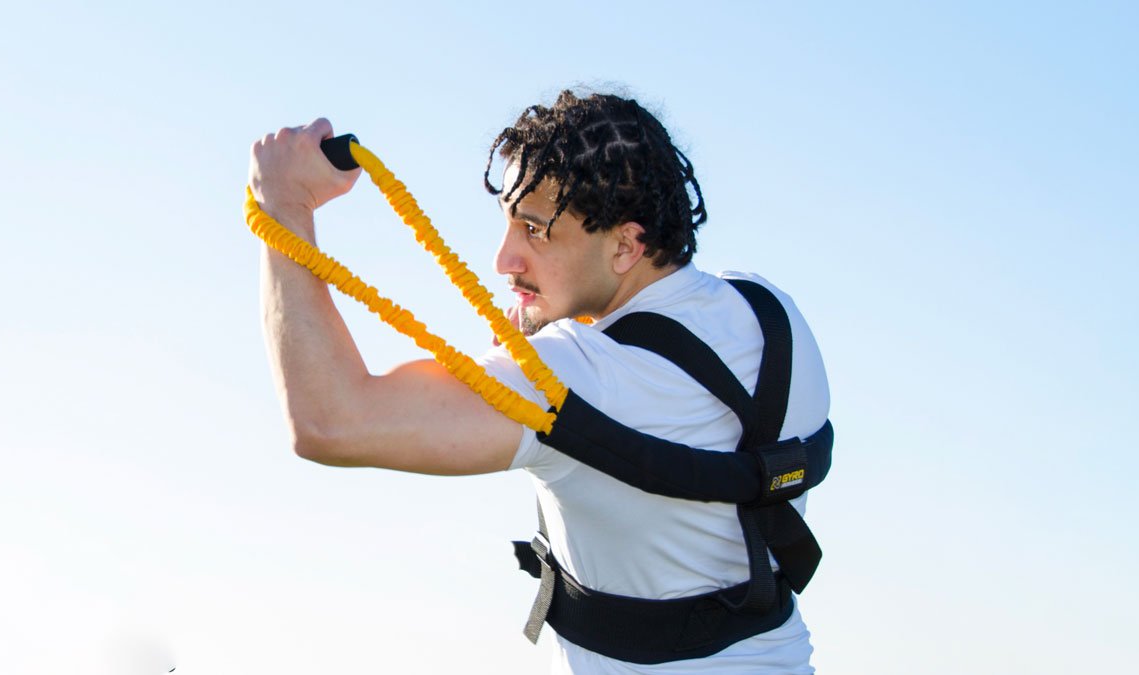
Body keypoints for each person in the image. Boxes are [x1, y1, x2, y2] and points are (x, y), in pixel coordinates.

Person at [248, 90, 829, 674]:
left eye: (534, 228)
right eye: (508, 221)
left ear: (626, 245)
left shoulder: (575, 375)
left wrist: (285, 204)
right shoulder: (771, 313)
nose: (504, 258)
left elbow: (331, 421)